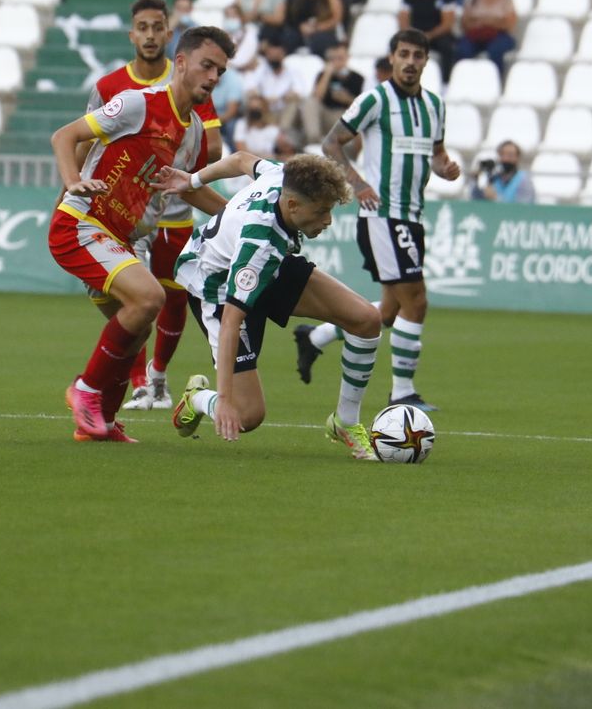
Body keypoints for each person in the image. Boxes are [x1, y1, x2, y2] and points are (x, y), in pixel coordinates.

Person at [45, 25, 232, 442]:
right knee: (150, 298)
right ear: (180, 62)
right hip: (81, 223)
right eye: (207, 66)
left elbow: (192, 188)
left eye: (220, 71)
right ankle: (86, 390)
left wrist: (241, 216)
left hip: (120, 240)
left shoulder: (195, 133)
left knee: (138, 325)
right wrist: (72, 179)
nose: (213, 77)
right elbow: (65, 135)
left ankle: (102, 425)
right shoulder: (136, 104)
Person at [162, 152, 384, 458]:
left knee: (367, 320)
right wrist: (223, 398)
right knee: (246, 416)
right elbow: (230, 320)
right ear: (293, 205)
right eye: (320, 212)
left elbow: (240, 159)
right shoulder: (260, 245)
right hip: (216, 287)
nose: (328, 221)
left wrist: (194, 180)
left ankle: (345, 422)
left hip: (264, 264)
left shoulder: (283, 176)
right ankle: (198, 399)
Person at [300, 29, 459, 410]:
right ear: (392, 58)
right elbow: (330, 143)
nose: (410, 61)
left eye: (417, 55)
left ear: (425, 61)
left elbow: (435, 154)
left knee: (389, 310)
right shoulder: (375, 100)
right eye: (403, 54)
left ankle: (315, 338)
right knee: (416, 302)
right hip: (384, 216)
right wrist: (358, 184)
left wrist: (446, 168)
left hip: (412, 216)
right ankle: (402, 392)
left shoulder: (434, 106)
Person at [90, 0, 224, 412]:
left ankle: (158, 379)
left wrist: (177, 167)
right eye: (142, 28)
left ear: (169, 34)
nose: (150, 36)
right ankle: (139, 382)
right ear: (132, 34)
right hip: (125, 211)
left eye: (157, 28)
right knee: (137, 299)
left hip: (176, 209)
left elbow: (213, 146)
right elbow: (89, 141)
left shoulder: (194, 78)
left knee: (171, 296)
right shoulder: (112, 87)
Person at [458, 0, 517, 75]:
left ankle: (495, 79)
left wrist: (486, 22)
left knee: (496, 50)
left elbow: (509, 25)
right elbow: (465, 23)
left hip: (499, 35)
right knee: (463, 49)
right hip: (476, 33)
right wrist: (491, 21)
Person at [302, 42, 363, 147]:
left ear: (347, 58)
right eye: (333, 59)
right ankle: (313, 139)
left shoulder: (357, 78)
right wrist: (327, 74)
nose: (336, 62)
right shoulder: (322, 75)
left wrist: (347, 99)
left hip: (342, 116)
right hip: (325, 114)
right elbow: (317, 97)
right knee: (309, 102)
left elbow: (361, 106)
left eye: (340, 58)